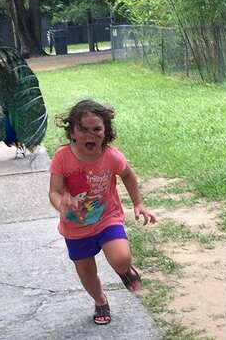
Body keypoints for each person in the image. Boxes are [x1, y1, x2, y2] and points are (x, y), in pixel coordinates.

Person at [49, 99, 156, 325]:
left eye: (96, 129)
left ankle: (123, 269)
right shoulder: (62, 157)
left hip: (107, 218)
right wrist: (62, 204)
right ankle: (100, 301)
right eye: (83, 129)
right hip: (75, 226)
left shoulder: (111, 156)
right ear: (72, 132)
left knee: (121, 258)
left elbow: (127, 175)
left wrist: (138, 203)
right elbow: (55, 191)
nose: (90, 135)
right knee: (87, 273)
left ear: (106, 131)